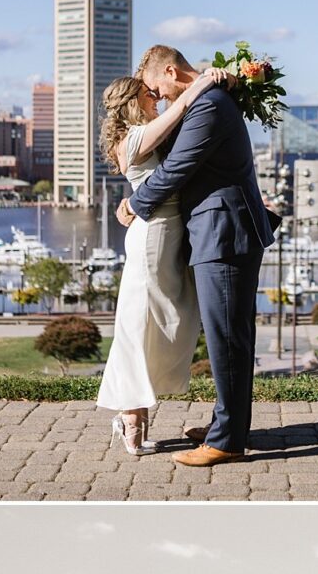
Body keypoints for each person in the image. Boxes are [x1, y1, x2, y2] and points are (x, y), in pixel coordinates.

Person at [118, 44, 275, 468]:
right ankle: (228, 426)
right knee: (229, 335)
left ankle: (226, 441)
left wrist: (134, 204)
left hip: (224, 231)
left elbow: (177, 169)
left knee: (227, 338)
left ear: (171, 72)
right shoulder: (208, 97)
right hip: (220, 229)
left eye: (158, 89)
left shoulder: (208, 105)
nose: (162, 99)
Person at [97, 57, 232, 458]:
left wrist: (209, 72)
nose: (156, 96)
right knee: (139, 325)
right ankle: (132, 416)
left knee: (166, 324)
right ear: (133, 101)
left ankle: (136, 412)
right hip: (152, 237)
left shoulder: (142, 135)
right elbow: (182, 106)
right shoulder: (136, 138)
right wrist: (206, 80)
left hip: (169, 234)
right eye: (148, 93)